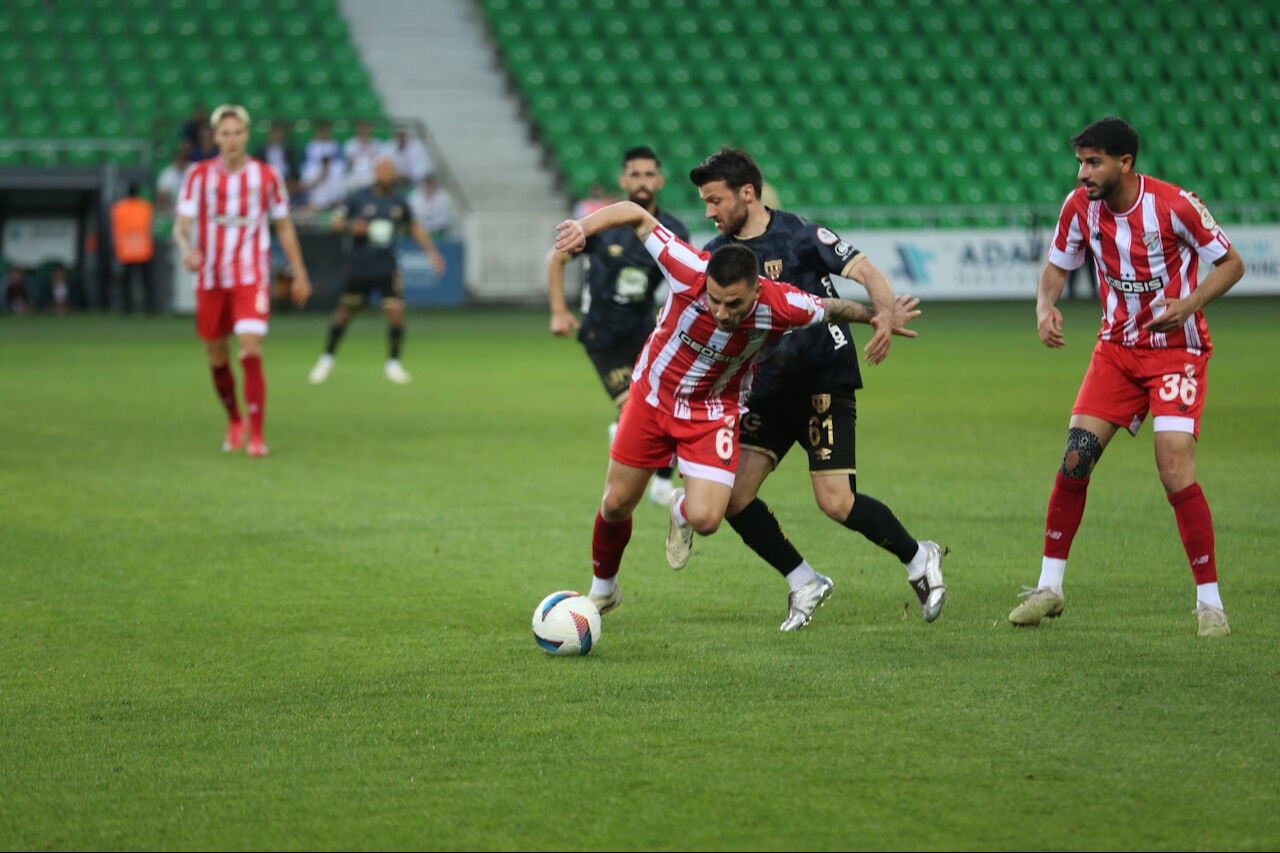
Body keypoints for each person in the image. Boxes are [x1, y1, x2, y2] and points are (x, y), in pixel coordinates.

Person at [554, 201, 916, 618]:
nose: (723, 313)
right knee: (616, 503)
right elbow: (637, 214)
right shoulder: (687, 267)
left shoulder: (783, 305)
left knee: (707, 519)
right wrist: (584, 227)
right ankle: (604, 589)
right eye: (715, 301)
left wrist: (880, 317)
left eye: (734, 305)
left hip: (713, 411)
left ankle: (681, 508)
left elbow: (833, 308)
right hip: (653, 399)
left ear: (757, 291)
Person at [1008, 117, 1245, 638]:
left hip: (1175, 351)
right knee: (1075, 458)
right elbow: (1055, 267)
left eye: (1093, 162)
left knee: (1173, 466)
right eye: (1080, 162)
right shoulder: (1079, 209)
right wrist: (1044, 306)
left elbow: (1231, 264)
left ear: (1125, 163)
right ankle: (1050, 587)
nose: (1083, 173)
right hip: (1116, 350)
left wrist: (1189, 304)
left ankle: (1211, 605)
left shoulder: (1175, 205)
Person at [691, 147, 945, 631]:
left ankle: (920, 558)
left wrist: (884, 317)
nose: (709, 212)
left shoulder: (801, 235)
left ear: (747, 193)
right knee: (733, 499)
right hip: (766, 388)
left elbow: (867, 272)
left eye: (715, 200)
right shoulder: (715, 257)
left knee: (835, 501)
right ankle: (804, 580)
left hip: (822, 380)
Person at [547, 146, 690, 505]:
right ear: (623, 180)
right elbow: (556, 258)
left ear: (660, 180)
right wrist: (559, 311)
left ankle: (659, 478)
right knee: (634, 408)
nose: (642, 181)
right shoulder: (602, 223)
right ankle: (649, 472)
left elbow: (682, 280)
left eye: (648, 174)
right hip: (602, 334)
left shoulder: (673, 230)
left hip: (645, 330)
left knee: (668, 406)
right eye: (635, 174)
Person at [174, 104, 312, 458]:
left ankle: (257, 435)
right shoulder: (197, 175)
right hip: (210, 277)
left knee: (250, 348)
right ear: (215, 137)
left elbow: (283, 225)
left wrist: (299, 272)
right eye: (225, 133)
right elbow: (181, 225)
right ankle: (234, 418)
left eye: (238, 133)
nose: (232, 139)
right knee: (216, 357)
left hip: (252, 276)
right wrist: (187, 249)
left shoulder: (266, 176)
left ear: (247, 135)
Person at [308, 157, 446, 385]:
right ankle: (326, 360)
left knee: (396, 313)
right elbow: (334, 223)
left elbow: (414, 227)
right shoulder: (358, 197)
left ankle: (393, 364)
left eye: (390, 169)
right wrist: (354, 227)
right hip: (360, 266)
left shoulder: (399, 201)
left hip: (386, 266)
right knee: (343, 314)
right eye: (382, 169)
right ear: (375, 172)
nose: (386, 173)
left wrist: (433, 253)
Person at [109, 183, 156, 313]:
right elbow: (150, 227)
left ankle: (126, 308)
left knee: (126, 282)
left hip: (126, 250)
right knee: (146, 281)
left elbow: (115, 230)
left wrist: (115, 248)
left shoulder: (118, 208)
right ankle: (150, 307)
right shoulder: (146, 207)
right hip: (143, 249)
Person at [254, 123, 301, 196]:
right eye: (274, 133)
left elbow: (293, 166)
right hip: (268, 175)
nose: (277, 136)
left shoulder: (288, 150)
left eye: (279, 134)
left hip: (285, 177)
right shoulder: (262, 150)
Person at [408, 173, 454, 238]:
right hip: (421, 228)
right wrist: (424, 227)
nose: (429, 186)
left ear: (435, 184)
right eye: (427, 184)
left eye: (431, 184)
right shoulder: (415, 196)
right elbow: (414, 215)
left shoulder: (444, 196)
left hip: (439, 228)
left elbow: (445, 216)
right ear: (423, 185)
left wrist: (432, 227)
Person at [343, 120, 383, 190]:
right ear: (358, 130)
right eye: (362, 128)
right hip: (355, 173)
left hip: (371, 173)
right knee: (347, 182)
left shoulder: (376, 144)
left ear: (370, 130)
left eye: (366, 128)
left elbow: (378, 163)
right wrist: (360, 149)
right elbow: (349, 163)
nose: (364, 131)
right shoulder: (350, 144)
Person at [156, 140, 192, 214]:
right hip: (172, 207)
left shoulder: (193, 169)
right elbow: (161, 192)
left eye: (183, 158)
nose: (181, 161)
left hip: (190, 207)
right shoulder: (168, 172)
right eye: (180, 158)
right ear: (176, 158)